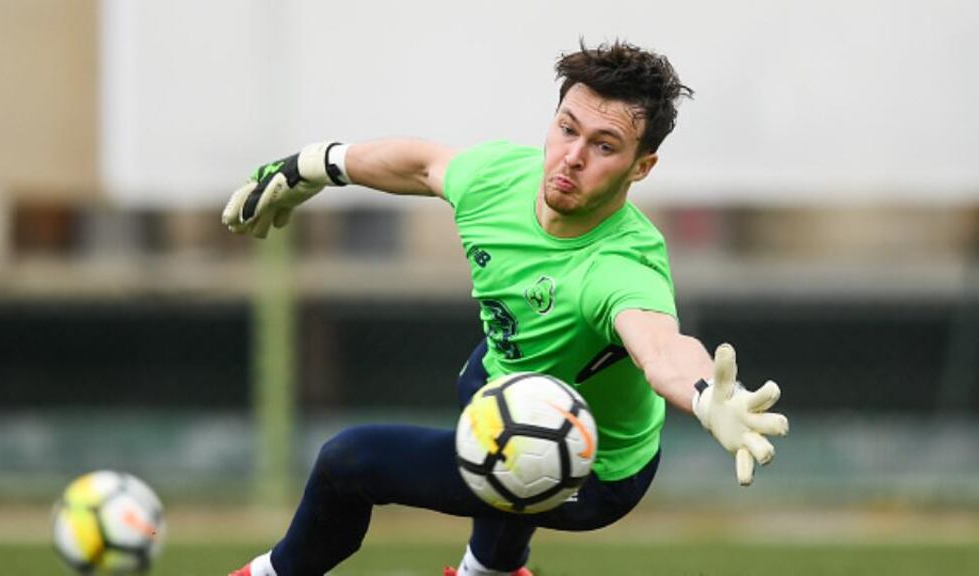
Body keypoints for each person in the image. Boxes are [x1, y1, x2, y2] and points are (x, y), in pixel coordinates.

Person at [222, 40, 789, 576]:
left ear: (641, 167)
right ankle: (492, 567)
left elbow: (661, 348)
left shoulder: (621, 268)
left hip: (593, 474)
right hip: (513, 389)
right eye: (567, 128)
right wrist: (312, 165)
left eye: (605, 146)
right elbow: (421, 165)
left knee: (348, 462)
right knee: (485, 378)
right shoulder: (499, 180)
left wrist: (706, 396)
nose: (572, 157)